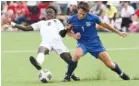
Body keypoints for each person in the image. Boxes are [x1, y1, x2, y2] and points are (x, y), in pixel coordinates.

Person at [64, 1, 130, 81]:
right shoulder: (71, 19)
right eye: (80, 13)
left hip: (96, 44)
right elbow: (67, 31)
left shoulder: (93, 17)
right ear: (78, 9)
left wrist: (119, 32)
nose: (81, 15)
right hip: (83, 43)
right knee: (77, 55)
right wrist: (74, 35)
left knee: (110, 64)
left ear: (87, 12)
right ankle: (68, 76)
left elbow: (105, 25)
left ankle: (121, 74)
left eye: (83, 14)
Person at [10, 6, 80, 81]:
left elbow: (62, 34)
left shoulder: (56, 21)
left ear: (55, 14)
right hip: (46, 42)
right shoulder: (41, 23)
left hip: (57, 42)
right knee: (41, 50)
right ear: (45, 14)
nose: (49, 13)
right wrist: (14, 25)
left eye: (51, 12)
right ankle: (38, 63)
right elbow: (26, 28)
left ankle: (71, 74)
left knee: (71, 61)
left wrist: (66, 29)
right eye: (47, 12)